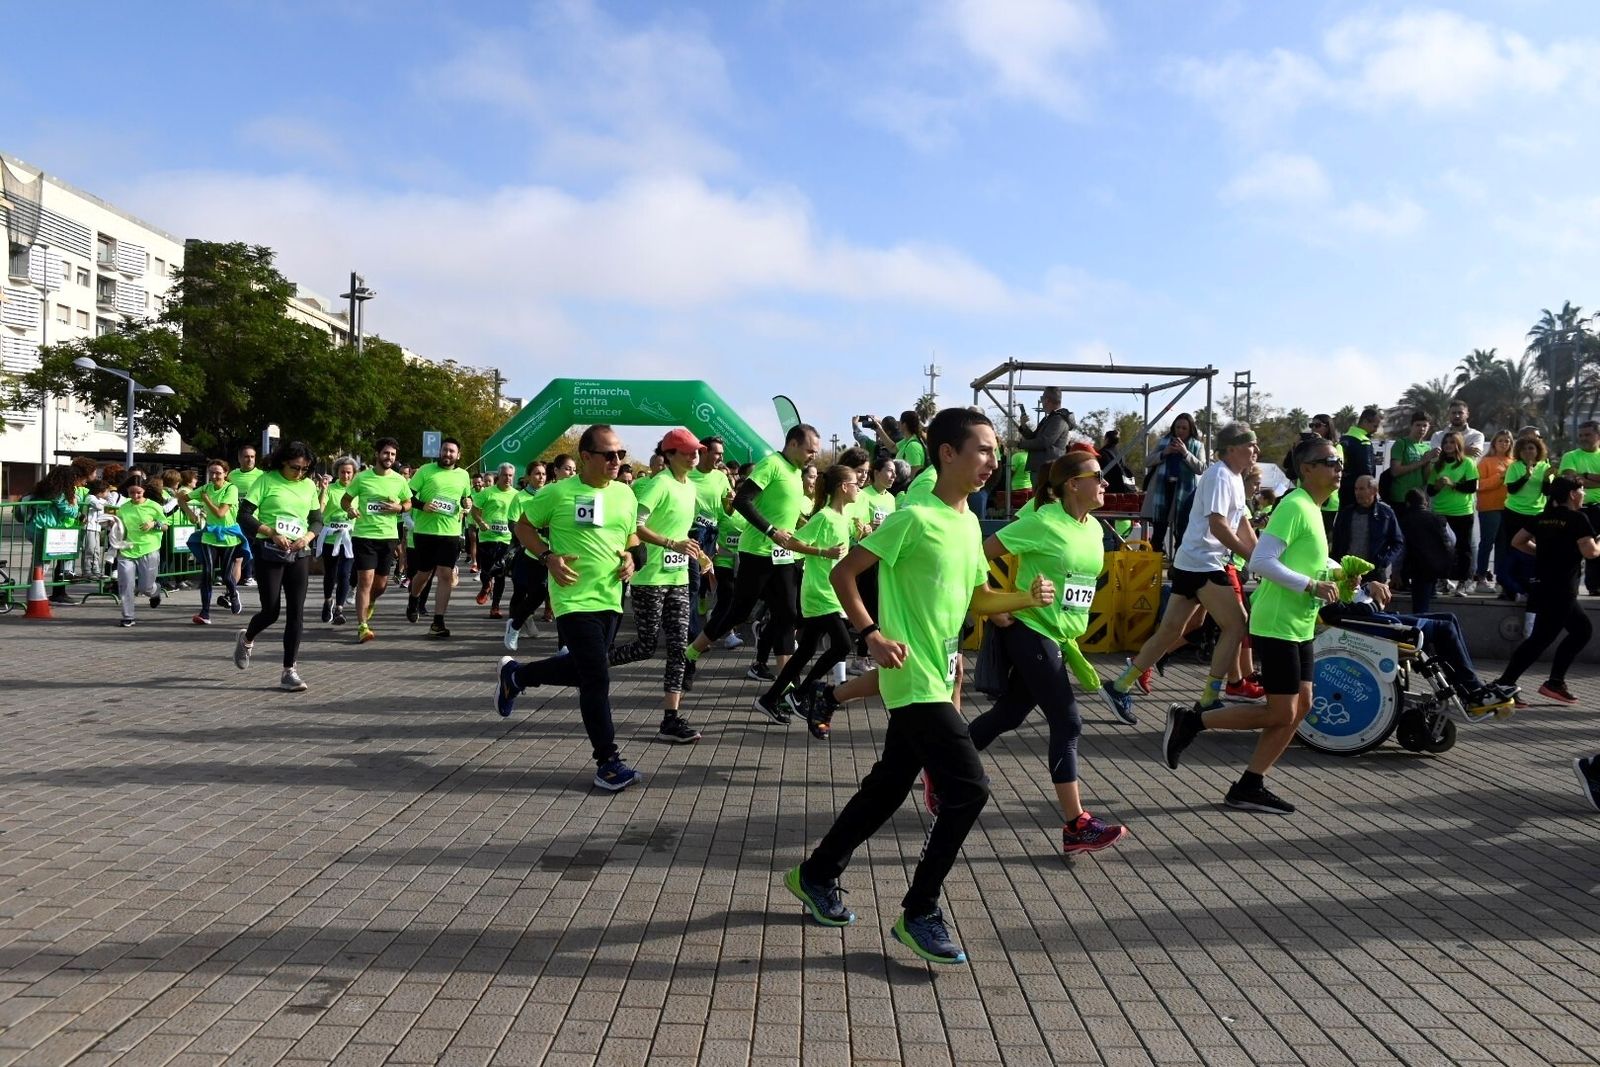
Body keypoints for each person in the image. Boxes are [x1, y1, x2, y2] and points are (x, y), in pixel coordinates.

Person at [784, 407, 1054, 965]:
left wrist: (1024, 598)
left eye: (996, 452)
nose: (993, 462)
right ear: (946, 453)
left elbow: (978, 599)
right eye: (982, 449)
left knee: (888, 787)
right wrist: (872, 634)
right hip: (912, 677)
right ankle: (919, 910)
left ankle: (815, 873)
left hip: (939, 671)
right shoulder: (913, 517)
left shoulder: (967, 526)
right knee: (969, 790)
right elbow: (843, 575)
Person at [1161, 435, 1365, 816]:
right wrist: (1311, 585)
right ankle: (1192, 720)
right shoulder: (1296, 507)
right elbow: (1262, 561)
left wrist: (1349, 578)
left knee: (1299, 708)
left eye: (1339, 462)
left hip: (1299, 623)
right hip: (1277, 622)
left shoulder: (1313, 510)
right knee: (1279, 712)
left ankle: (1249, 786)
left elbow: (1313, 564)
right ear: (1306, 470)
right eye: (1329, 462)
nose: (1339, 468)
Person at [970, 448, 1128, 854]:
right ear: (1073, 484)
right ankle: (1076, 824)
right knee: (1068, 721)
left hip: (1060, 635)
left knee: (1010, 714)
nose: (1106, 483)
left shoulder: (1093, 528)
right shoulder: (1041, 522)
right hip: (1030, 629)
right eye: (1098, 476)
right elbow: (977, 554)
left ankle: (944, 761)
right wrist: (997, 602)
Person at [495, 425, 644, 791]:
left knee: (584, 670)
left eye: (620, 454)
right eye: (609, 454)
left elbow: (632, 539)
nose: (616, 461)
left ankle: (516, 677)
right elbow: (524, 527)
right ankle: (608, 762)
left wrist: (633, 560)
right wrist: (546, 556)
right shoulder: (557, 493)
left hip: (611, 598)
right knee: (596, 678)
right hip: (572, 598)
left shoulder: (626, 494)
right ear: (586, 457)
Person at [1106, 423, 1262, 720]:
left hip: (1194, 562)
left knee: (1171, 631)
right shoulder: (1218, 475)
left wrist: (1260, 557)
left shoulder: (1236, 478)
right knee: (1236, 624)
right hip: (1204, 562)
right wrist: (1252, 559)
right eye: (1250, 445)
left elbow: (1242, 524)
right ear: (1231, 449)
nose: (1256, 450)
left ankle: (1120, 685)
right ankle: (1209, 698)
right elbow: (1218, 525)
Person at [684, 424, 821, 700]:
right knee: (737, 612)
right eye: (809, 450)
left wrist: (800, 525)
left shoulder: (797, 473)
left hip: (783, 556)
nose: (813, 457)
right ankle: (690, 654)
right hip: (757, 553)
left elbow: (783, 512)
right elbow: (743, 502)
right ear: (792, 444)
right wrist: (772, 530)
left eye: (815, 452)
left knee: (787, 616)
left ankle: (785, 687)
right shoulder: (771, 464)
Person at [607, 428, 710, 744]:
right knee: (646, 645)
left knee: (679, 648)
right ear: (669, 455)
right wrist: (669, 543)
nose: (695, 456)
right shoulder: (657, 485)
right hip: (649, 578)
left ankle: (670, 718)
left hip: (678, 577)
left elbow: (682, 528)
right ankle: (594, 660)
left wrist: (700, 554)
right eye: (688, 451)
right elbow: (634, 525)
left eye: (697, 451)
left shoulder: (690, 486)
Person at [757, 464, 857, 735]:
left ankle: (769, 698)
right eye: (856, 482)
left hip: (832, 592)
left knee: (805, 651)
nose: (859, 486)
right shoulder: (823, 517)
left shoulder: (843, 517)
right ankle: (801, 695)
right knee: (842, 645)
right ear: (843, 487)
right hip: (819, 593)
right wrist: (822, 552)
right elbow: (791, 543)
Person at [1489, 477, 1597, 705]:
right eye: (1582, 490)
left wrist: (1545, 553)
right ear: (1572, 494)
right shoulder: (1578, 519)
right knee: (1543, 638)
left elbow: (1518, 542)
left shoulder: (1542, 517)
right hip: (1562, 589)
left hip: (1542, 585)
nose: (1584, 494)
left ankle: (1551, 682)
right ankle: (1507, 684)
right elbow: (1590, 552)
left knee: (1578, 631)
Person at [233, 441, 323, 691]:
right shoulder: (266, 480)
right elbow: (244, 515)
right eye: (295, 468)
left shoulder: (308, 485)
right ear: (283, 461)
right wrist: (271, 532)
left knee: (296, 613)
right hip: (270, 551)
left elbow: (317, 520)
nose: (300, 473)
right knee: (271, 611)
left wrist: (307, 537)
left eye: (305, 469)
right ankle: (247, 638)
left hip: (299, 552)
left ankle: (289, 671)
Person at [342, 438, 411, 644]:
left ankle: (371, 600)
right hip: (364, 536)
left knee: (380, 585)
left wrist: (399, 508)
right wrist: (350, 509)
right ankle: (362, 626)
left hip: (388, 537)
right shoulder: (362, 478)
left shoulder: (399, 480)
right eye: (386, 453)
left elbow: (409, 502)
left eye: (392, 454)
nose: (389, 457)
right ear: (377, 454)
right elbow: (346, 499)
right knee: (365, 581)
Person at [407, 437, 475, 638]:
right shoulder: (425, 471)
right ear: (440, 452)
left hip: (450, 533)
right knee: (424, 573)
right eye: (445, 450)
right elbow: (407, 496)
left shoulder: (463, 475)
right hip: (425, 532)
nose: (448, 454)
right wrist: (422, 506)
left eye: (452, 451)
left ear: (458, 455)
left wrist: (468, 503)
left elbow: (466, 497)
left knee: (445, 575)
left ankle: (438, 622)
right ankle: (413, 599)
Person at [183, 460, 244, 624]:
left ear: (225, 474)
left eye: (218, 473)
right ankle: (205, 613)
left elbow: (221, 513)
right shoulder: (205, 488)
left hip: (228, 536)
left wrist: (206, 500)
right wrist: (190, 513)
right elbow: (181, 497)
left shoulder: (231, 489)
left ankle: (232, 593)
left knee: (225, 574)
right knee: (207, 573)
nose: (214, 476)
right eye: (212, 472)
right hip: (209, 535)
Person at [686, 436, 732, 640]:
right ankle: (692, 634)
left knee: (705, 584)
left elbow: (727, 511)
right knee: (694, 584)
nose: (720, 457)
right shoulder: (688, 474)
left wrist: (731, 503)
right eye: (717, 453)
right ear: (703, 451)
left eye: (722, 454)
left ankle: (688, 626)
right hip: (692, 533)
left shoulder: (721, 478)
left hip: (712, 534)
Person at [1498, 434, 1550, 602]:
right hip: (1514, 513)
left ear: (1538, 451)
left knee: (1533, 552)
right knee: (1512, 550)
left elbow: (1547, 492)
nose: (1527, 452)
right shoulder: (1514, 467)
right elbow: (1512, 489)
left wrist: (1547, 478)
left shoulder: (1544, 467)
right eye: (1524, 449)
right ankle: (1510, 588)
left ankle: (1531, 587)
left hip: (1536, 514)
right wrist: (1526, 476)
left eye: (1531, 448)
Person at [1143, 412, 1204, 555]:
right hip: (1162, 491)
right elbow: (1147, 461)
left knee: (1182, 532)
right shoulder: (1164, 441)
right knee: (1158, 531)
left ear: (1190, 430)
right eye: (1178, 427)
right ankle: (1154, 566)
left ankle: (1178, 567)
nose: (1180, 431)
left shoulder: (1197, 445)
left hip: (1184, 494)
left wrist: (1185, 453)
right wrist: (1164, 453)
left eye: (1184, 428)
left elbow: (1201, 469)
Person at [111, 476, 168, 627]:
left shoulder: (154, 506)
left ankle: (155, 591)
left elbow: (165, 526)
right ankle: (128, 616)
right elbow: (119, 527)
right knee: (126, 584)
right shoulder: (123, 508)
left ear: (144, 491)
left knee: (145, 587)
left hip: (149, 549)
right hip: (127, 550)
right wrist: (110, 524)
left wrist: (154, 523)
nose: (135, 496)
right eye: (132, 493)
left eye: (139, 493)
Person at [1426, 431, 1478, 596]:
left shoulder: (1467, 463)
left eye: (1452, 442)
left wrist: (1453, 484)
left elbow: (1472, 487)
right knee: (1441, 549)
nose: (1448, 445)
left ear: (1459, 445)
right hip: (1440, 511)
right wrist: (1438, 486)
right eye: (1446, 442)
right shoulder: (1438, 466)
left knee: (1463, 548)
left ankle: (1463, 582)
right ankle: (1442, 581)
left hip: (1462, 512)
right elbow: (1430, 491)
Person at [505, 461, 550, 651]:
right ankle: (516, 622)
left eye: (543, 474)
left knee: (541, 591)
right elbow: (513, 524)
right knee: (521, 591)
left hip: (548, 551)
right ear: (528, 477)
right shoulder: (520, 497)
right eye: (537, 473)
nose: (541, 477)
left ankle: (522, 620)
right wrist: (529, 536)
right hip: (525, 552)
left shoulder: (550, 495)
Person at [1331, 475, 1403, 584]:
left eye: (1361, 489)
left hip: (1374, 573)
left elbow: (1398, 542)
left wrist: (1383, 562)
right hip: (1348, 572)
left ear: (1374, 490)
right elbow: (1336, 541)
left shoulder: (1385, 514)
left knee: (1373, 601)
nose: (1357, 492)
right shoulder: (1346, 513)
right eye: (1356, 489)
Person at [472, 463, 521, 618]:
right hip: (487, 538)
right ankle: (486, 585)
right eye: (505, 475)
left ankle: (495, 607)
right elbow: (475, 511)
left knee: (500, 573)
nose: (508, 478)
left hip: (506, 539)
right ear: (498, 476)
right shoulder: (487, 493)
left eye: (510, 475)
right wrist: (481, 523)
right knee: (486, 571)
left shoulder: (516, 495)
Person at [1557, 420, 1600, 595]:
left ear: (1598, 435)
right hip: (1577, 510)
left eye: (1588, 434)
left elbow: (1579, 480)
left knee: (1596, 549)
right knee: (1572, 550)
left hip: (1598, 509)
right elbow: (1571, 481)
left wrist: (1583, 476)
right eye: (1581, 435)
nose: (1583, 438)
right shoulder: (1570, 456)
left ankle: (1594, 586)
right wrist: (1594, 479)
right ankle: (1569, 587)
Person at [1398, 489, 1453, 615]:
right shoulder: (1437, 518)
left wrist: (1397, 571)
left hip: (1418, 569)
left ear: (1408, 504)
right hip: (1437, 566)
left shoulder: (1406, 521)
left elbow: (1402, 547)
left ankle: (1421, 631)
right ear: (1426, 503)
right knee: (1428, 598)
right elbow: (1451, 539)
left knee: (1420, 608)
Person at [317, 457, 358, 625]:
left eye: (349, 472)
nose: (346, 475)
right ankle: (328, 601)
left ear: (354, 474)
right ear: (337, 472)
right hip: (330, 537)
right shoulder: (331, 489)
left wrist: (354, 514)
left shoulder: (358, 491)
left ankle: (339, 609)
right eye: (343, 472)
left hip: (348, 538)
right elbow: (320, 510)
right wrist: (323, 490)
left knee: (344, 574)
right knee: (331, 574)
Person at [1473, 430, 1513, 595]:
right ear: (1494, 443)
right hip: (1489, 507)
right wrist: (1500, 477)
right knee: (1487, 543)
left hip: (1509, 507)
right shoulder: (1486, 462)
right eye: (1501, 441)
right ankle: (1481, 577)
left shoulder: (1514, 461)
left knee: (1503, 545)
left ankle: (1501, 579)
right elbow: (1479, 485)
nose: (1504, 444)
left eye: (1507, 441)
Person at [1015, 385, 1073, 485]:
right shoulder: (1049, 419)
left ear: (1047, 400)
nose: (1041, 401)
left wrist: (1019, 444)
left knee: (1043, 498)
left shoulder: (1058, 419)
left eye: (1042, 398)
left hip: (1047, 468)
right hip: (1043, 467)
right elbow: (1034, 437)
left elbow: (1044, 442)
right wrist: (1024, 426)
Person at [227, 444, 265, 588]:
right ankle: (235, 575)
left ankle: (249, 575)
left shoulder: (261, 475)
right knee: (236, 547)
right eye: (246, 457)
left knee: (250, 547)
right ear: (239, 458)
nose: (249, 460)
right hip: (234, 518)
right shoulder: (232, 475)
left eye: (252, 457)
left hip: (255, 519)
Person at [1339, 407, 1382, 501]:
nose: (1375, 430)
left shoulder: (1344, 438)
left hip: (1342, 489)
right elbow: (1367, 472)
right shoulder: (1363, 441)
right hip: (1359, 493)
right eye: (1375, 426)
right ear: (1365, 422)